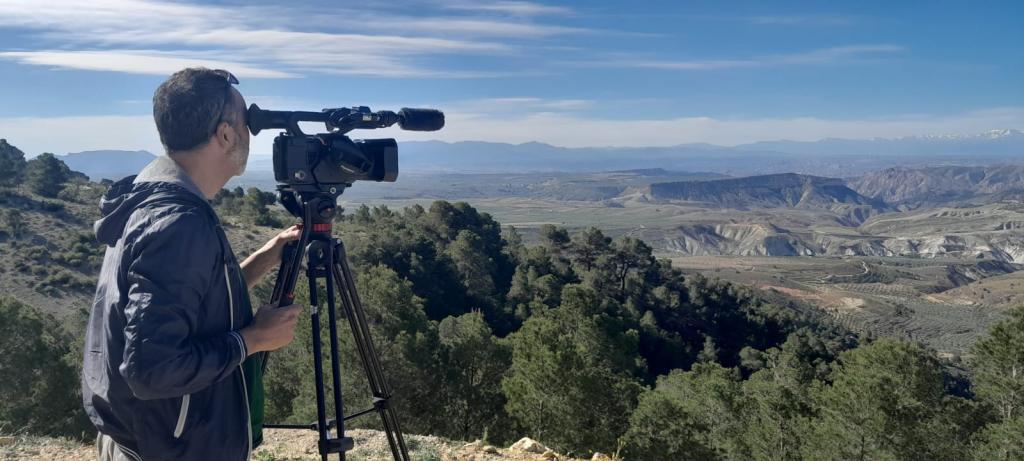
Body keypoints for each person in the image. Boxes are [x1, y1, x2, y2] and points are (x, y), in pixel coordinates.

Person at [82, 68, 301, 461]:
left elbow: (195, 299)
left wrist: (267, 257)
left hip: (150, 436)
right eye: (246, 122)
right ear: (225, 134)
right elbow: (154, 369)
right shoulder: (178, 223)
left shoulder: (151, 198)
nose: (250, 134)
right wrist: (253, 341)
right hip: (170, 447)